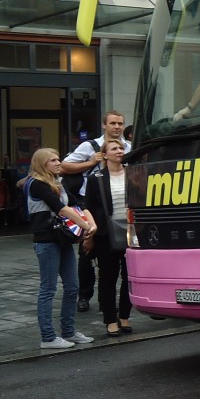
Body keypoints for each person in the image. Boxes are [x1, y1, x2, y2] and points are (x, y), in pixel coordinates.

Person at [26, 148, 97, 349]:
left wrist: (92, 225)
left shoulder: (58, 184)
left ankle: (69, 332)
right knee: (48, 289)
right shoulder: (37, 184)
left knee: (72, 287)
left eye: (58, 159)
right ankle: (48, 337)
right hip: (47, 241)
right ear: (42, 164)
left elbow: (79, 205)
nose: (59, 163)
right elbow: (62, 209)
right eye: (53, 160)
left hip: (63, 240)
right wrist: (86, 227)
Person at [60, 111, 129, 313]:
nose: (117, 127)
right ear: (104, 125)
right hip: (91, 203)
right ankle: (85, 294)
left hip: (119, 206)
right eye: (113, 123)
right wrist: (91, 163)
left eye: (121, 123)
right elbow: (64, 166)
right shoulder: (89, 146)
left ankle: (121, 308)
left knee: (122, 262)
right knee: (87, 253)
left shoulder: (128, 148)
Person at [83, 140, 131, 338]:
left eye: (121, 148)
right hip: (106, 234)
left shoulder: (132, 172)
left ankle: (125, 316)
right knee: (108, 277)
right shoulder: (97, 178)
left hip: (130, 232)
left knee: (130, 277)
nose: (119, 151)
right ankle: (111, 319)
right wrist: (90, 233)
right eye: (114, 149)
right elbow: (88, 206)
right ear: (105, 155)